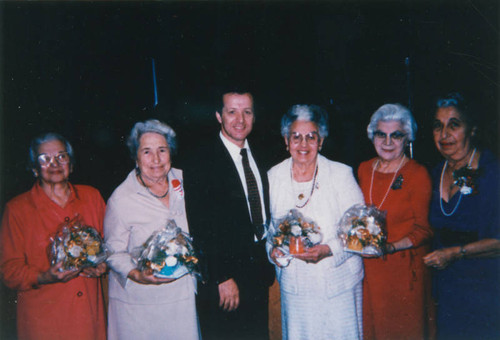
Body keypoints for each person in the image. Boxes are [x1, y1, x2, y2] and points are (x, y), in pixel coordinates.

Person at [183, 89, 275, 340]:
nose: (240, 120)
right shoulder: (200, 160)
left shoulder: (263, 155)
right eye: (232, 112)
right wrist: (221, 277)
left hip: (257, 273)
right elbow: (199, 226)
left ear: (254, 117)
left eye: (247, 112)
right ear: (218, 116)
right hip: (224, 280)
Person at [268, 104, 365, 339]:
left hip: (339, 285)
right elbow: (269, 231)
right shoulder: (273, 176)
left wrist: (329, 249)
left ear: (320, 141)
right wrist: (273, 252)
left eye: (311, 137)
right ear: (286, 140)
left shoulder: (341, 174)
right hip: (297, 289)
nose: (303, 144)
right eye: (296, 137)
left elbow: (361, 231)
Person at [0, 133, 107, 340]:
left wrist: (103, 265)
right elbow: (8, 271)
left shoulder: (92, 197)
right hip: (45, 323)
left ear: (71, 164)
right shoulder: (17, 210)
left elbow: (109, 244)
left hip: (89, 320)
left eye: (61, 156)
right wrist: (44, 277)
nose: (54, 163)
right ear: (34, 168)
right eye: (44, 158)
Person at [104, 119, 199, 340]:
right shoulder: (121, 198)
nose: (156, 159)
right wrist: (137, 274)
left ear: (171, 153)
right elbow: (113, 252)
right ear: (135, 157)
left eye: (162, 150)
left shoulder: (187, 181)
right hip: (140, 306)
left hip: (182, 300)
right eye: (147, 151)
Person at [423, 92, 500, 339]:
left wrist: (455, 253)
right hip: (446, 292)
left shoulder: (491, 172)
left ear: (472, 130)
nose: (444, 134)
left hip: (486, 290)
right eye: (438, 126)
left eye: (454, 125)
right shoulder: (434, 173)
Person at [357, 104, 434, 340]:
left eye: (396, 135)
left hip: (403, 272)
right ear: (373, 136)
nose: (388, 142)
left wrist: (390, 247)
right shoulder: (363, 169)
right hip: (370, 271)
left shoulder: (417, 173)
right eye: (382, 134)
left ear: (407, 138)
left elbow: (424, 230)